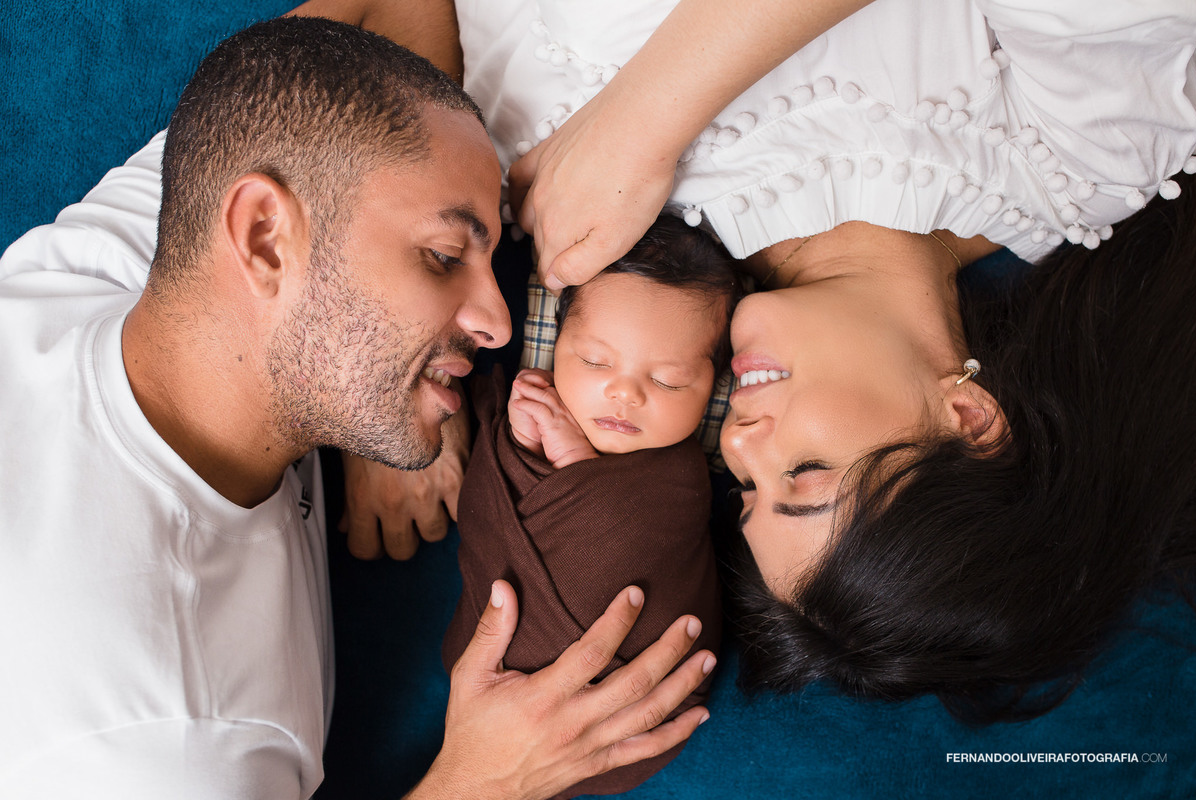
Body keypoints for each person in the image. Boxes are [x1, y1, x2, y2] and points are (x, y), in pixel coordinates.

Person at [0, 17, 716, 798]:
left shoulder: (107, 271)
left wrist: (372, 414)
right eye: (443, 257)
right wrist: (481, 782)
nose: (500, 325)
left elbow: (388, 18)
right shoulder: (167, 744)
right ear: (267, 239)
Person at [447, 0, 1196, 721]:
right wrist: (643, 120)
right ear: (969, 417)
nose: (738, 442)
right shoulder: (1086, 155)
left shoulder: (592, 243)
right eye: (803, 476)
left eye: (745, 488)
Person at [441, 216, 738, 796]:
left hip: (640, 702)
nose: (625, 392)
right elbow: (489, 505)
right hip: (486, 687)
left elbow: (646, 535)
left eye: (671, 381)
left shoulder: (680, 477)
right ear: (558, 348)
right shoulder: (531, 408)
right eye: (596, 363)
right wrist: (520, 442)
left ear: (713, 390)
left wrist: (573, 459)